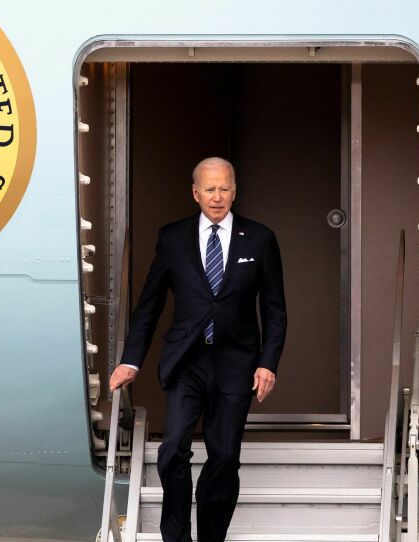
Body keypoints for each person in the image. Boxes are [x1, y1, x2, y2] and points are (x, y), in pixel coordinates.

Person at [109, 157, 287, 542]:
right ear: (195, 193)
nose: (217, 197)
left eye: (224, 188)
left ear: (234, 191)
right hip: (186, 360)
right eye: (209, 189)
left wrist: (267, 363)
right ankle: (176, 536)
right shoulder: (173, 238)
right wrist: (130, 360)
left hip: (236, 363)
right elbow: (149, 305)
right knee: (172, 448)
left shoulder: (260, 238)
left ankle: (210, 537)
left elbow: (275, 310)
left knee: (224, 456)